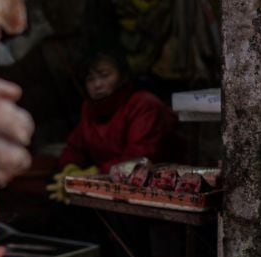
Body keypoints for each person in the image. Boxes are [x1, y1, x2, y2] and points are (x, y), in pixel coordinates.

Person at [48, 49, 180, 200]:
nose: (97, 85)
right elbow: (74, 147)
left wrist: (94, 174)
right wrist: (69, 168)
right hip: (110, 187)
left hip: (155, 190)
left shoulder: (143, 104)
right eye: (90, 79)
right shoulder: (89, 108)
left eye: (104, 76)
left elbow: (138, 159)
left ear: (123, 76)